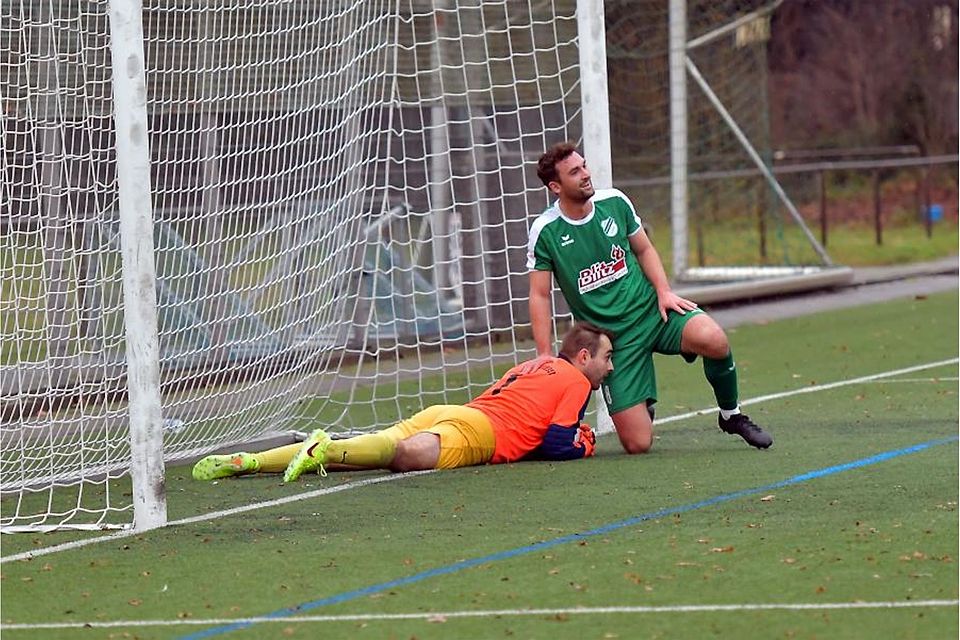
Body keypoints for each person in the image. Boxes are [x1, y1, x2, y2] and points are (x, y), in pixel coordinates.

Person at [526, 141, 772, 454]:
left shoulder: (614, 202)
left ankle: (731, 416)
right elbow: (539, 294)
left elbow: (643, 248)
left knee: (715, 339)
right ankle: (642, 403)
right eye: (575, 172)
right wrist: (544, 353)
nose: (586, 174)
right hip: (612, 342)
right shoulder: (545, 230)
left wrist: (664, 291)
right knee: (638, 444)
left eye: (584, 165)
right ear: (555, 186)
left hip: (653, 313)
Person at [192, 322, 615, 483]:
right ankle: (321, 446)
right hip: (481, 434)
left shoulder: (533, 365)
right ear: (582, 356)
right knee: (403, 457)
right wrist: (587, 441)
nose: (609, 368)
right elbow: (556, 445)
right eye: (606, 357)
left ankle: (249, 461)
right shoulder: (574, 380)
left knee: (367, 451)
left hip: (453, 413)